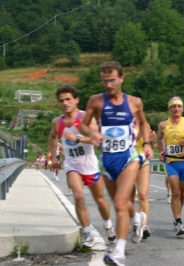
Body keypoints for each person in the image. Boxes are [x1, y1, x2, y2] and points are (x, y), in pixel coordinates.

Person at [79, 61, 153, 266]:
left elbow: (145, 123)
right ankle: (136, 217)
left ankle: (119, 252)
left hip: (129, 157)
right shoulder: (96, 101)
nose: (109, 85)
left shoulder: (134, 102)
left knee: (120, 202)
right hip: (106, 160)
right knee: (122, 203)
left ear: (121, 78)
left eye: (112, 80)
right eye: (105, 81)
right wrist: (92, 133)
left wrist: (146, 143)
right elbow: (83, 125)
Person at [48, 84, 116, 248]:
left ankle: (108, 225)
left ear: (76, 100)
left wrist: (76, 138)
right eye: (61, 100)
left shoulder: (85, 117)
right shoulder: (57, 122)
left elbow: (96, 138)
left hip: (90, 165)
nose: (65, 103)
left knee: (100, 200)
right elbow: (52, 138)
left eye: (68, 99)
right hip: (72, 165)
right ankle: (87, 233)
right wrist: (54, 158)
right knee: (78, 196)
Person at [157, 96, 184, 236]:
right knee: (175, 192)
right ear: (169, 108)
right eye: (173, 106)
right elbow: (159, 138)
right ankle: (178, 220)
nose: (176, 109)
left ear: (183, 108)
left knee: (182, 193)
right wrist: (161, 150)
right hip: (171, 162)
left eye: (179, 106)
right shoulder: (163, 125)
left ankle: (178, 214)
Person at [129, 121, 156, 243]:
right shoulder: (123, 123)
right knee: (129, 198)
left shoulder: (145, 124)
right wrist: (139, 135)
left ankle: (143, 226)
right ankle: (134, 223)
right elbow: (126, 143)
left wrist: (151, 141)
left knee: (143, 194)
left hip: (142, 160)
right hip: (127, 162)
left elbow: (150, 147)